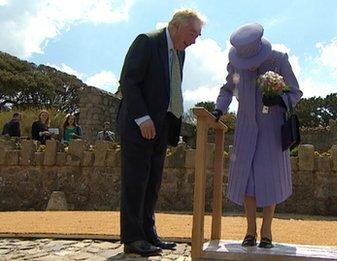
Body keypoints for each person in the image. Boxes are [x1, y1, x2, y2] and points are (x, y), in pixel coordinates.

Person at [117, 8, 204, 256]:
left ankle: (148, 233)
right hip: (138, 126)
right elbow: (129, 81)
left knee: (153, 182)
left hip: (161, 126)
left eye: (198, 35)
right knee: (135, 182)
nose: (196, 40)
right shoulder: (147, 42)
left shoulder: (181, 53)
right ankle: (132, 238)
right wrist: (142, 117)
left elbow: (170, 88)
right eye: (193, 33)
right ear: (176, 26)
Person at [212, 23, 302, 248]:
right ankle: (250, 231)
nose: (249, 68)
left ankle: (267, 231)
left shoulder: (279, 60)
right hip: (245, 129)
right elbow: (227, 91)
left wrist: (280, 99)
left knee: (269, 178)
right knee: (247, 180)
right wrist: (218, 110)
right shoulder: (235, 66)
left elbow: (295, 92)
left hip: (271, 129)